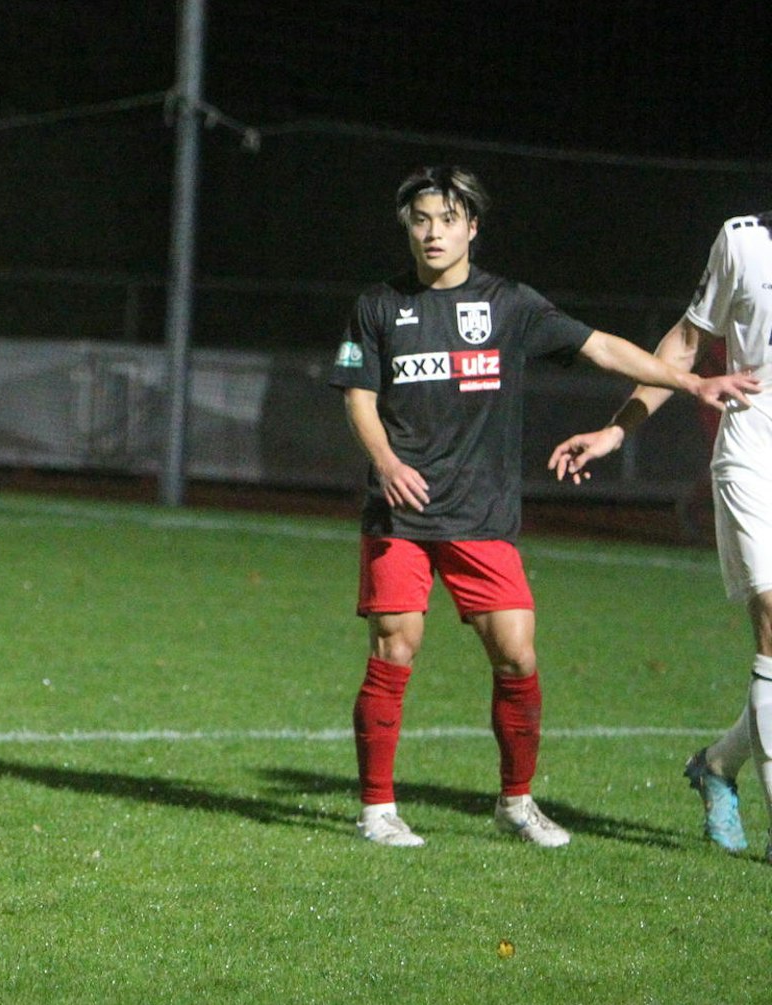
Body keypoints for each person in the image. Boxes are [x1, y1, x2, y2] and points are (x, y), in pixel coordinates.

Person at [328, 165, 755, 849]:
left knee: (518, 654)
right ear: (407, 226)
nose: (433, 232)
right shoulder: (378, 306)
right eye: (421, 219)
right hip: (400, 510)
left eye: (447, 219)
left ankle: (516, 802)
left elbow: (601, 347)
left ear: (472, 226)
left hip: (482, 511)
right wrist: (386, 461)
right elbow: (358, 397)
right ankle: (377, 808)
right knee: (395, 645)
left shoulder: (509, 303)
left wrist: (689, 379)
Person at [549, 212, 772, 857]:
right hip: (753, 453)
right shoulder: (742, 240)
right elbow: (685, 343)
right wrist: (617, 430)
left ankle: (718, 766)